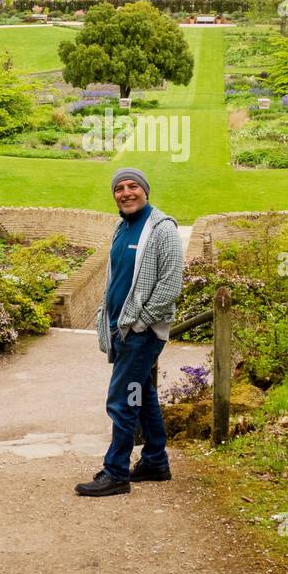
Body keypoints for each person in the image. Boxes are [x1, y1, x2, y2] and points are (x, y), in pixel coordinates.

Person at [76, 167, 184, 496]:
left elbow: (170, 286)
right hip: (122, 330)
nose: (126, 192)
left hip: (142, 333)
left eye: (132, 186)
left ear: (145, 190)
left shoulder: (162, 229)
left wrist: (140, 324)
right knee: (143, 394)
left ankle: (116, 472)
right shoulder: (121, 228)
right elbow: (115, 279)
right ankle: (154, 460)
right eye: (119, 188)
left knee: (122, 399)